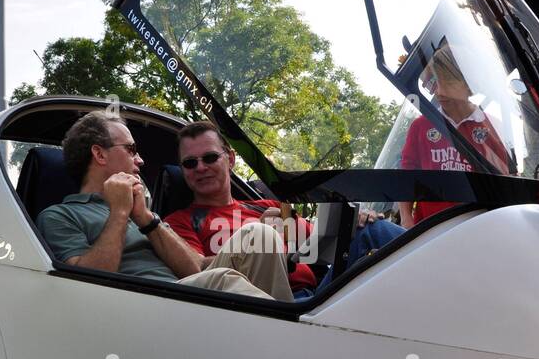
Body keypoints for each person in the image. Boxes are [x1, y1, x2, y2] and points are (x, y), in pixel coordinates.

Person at [37, 111, 291, 301]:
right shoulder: (59, 215)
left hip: (185, 293)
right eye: (131, 149)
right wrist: (119, 212)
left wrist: (146, 218)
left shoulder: (145, 212)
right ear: (100, 154)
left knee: (259, 235)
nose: (140, 159)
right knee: (224, 281)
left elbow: (195, 268)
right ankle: (292, 343)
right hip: (145, 304)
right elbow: (88, 284)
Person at [166, 121, 403, 294]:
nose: (200, 168)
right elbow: (199, 271)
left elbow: (320, 246)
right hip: (272, 308)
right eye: (190, 163)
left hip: (319, 297)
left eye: (209, 158)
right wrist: (253, 241)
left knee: (372, 229)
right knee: (260, 236)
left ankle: (437, 262)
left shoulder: (266, 206)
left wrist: (352, 223)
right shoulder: (180, 222)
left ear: (230, 159)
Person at [397, 47, 512, 228]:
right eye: (436, 81)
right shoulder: (421, 126)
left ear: (469, 84)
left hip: (473, 231)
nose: (439, 92)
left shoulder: (494, 128)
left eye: (448, 83)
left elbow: (502, 185)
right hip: (426, 233)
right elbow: (407, 175)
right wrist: (406, 218)